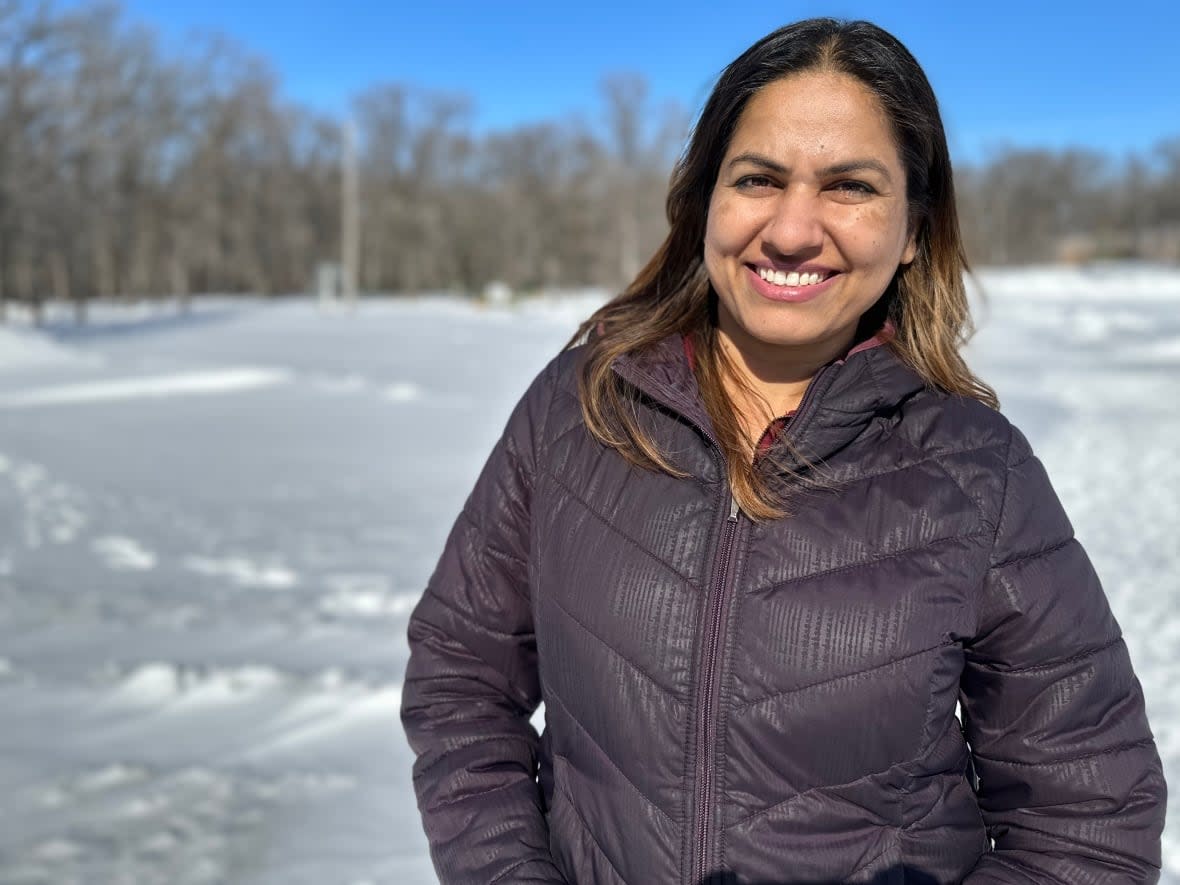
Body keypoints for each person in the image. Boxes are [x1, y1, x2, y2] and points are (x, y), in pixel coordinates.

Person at [401, 17, 1166, 884]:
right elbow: (461, 677)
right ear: (706, 202)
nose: (794, 230)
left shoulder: (976, 470)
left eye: (850, 186)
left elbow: (1089, 817)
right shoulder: (580, 410)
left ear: (913, 228)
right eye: (760, 178)